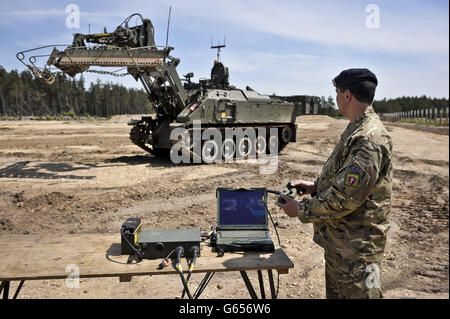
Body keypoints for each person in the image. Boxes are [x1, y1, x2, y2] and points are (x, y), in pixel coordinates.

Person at [276, 68, 393, 299]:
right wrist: (315, 187)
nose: (336, 98)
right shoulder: (357, 129)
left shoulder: (368, 139)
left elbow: (344, 199)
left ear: (347, 95)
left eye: (337, 92)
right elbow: (348, 181)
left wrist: (299, 209)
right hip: (344, 248)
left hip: (358, 254)